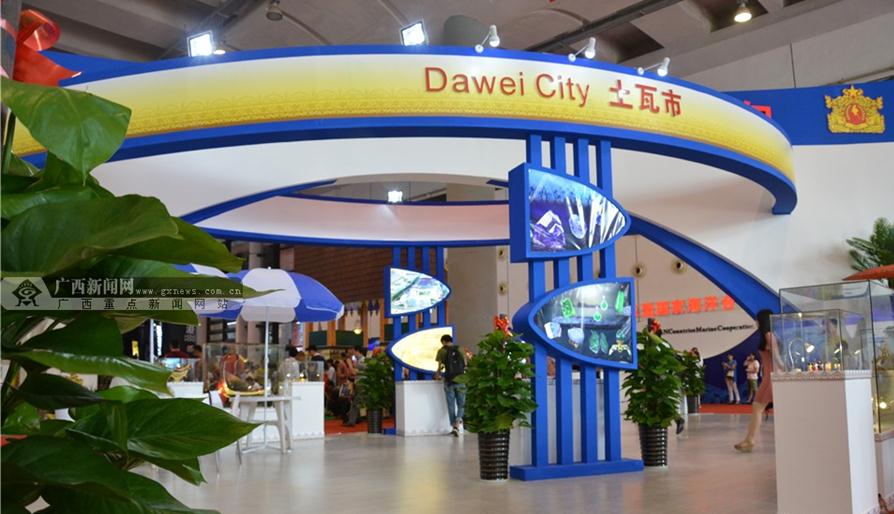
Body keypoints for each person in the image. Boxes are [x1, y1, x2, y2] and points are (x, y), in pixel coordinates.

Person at [736, 309, 779, 452]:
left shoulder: (768, 335)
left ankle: (750, 440)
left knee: (757, 407)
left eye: (757, 319)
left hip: (771, 378)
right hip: (769, 377)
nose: (755, 322)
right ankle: (749, 439)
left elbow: (777, 358)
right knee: (757, 407)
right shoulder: (767, 336)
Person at [435, 334, 467, 437]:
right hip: (461, 380)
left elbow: (440, 366)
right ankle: (458, 422)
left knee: (451, 405)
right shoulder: (460, 349)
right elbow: (465, 364)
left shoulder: (442, 351)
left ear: (444, 341)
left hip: (449, 381)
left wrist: (437, 375)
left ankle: (454, 427)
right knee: (461, 404)